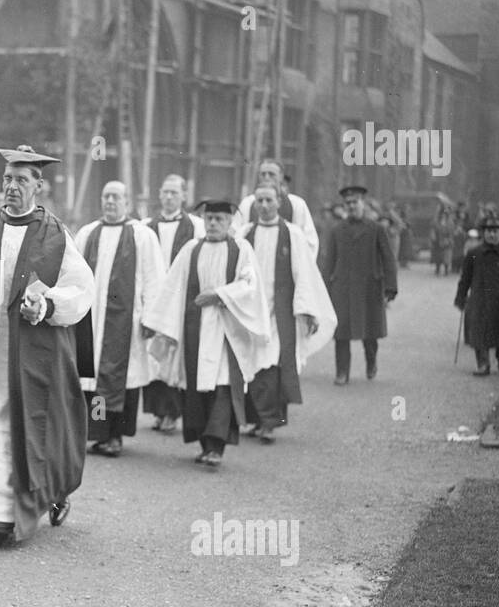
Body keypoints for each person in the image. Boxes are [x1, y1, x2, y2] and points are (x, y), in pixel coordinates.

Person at [0, 145, 95, 551]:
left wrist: (45, 305)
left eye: (21, 180)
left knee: (44, 428)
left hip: (36, 350)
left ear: (38, 186)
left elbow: (81, 287)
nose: (11, 187)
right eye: (7, 179)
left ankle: (51, 491)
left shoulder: (53, 233)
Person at [142, 200, 268, 469]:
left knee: (222, 386)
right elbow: (171, 286)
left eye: (219, 219)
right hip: (194, 329)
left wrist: (220, 295)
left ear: (230, 221)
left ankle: (216, 447)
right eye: (209, 218)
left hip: (226, 330)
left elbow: (250, 285)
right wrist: (157, 322)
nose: (213, 223)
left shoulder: (240, 249)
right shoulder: (192, 249)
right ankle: (204, 444)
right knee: (196, 387)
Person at [73, 181, 165, 456]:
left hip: (127, 321)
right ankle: (98, 434)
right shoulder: (88, 233)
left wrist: (151, 318)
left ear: (127, 201)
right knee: (93, 379)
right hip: (92, 321)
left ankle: (115, 436)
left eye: (116, 197)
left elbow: (154, 279)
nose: (110, 201)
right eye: (105, 196)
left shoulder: (142, 235)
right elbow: (74, 273)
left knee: (120, 379)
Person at [239, 185, 336, 442]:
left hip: (280, 311)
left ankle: (269, 421)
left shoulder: (292, 234)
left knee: (272, 363)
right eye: (259, 200)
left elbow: (303, 274)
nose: (264, 205)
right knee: (252, 364)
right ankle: (255, 419)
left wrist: (306, 310)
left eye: (269, 200)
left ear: (279, 202)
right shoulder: (245, 233)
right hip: (252, 310)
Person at [319, 185, 398, 385]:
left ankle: (371, 362)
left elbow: (388, 259)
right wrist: (323, 291)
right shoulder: (337, 230)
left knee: (370, 333)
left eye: (355, 202)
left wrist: (390, 286)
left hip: (369, 288)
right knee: (341, 333)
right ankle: (342, 372)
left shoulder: (376, 229)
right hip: (342, 289)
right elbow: (329, 262)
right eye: (348, 203)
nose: (352, 206)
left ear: (363, 203)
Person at [142, 174, 203, 432]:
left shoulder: (196, 226)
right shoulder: (145, 226)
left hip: (179, 299)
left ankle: (173, 412)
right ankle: (157, 410)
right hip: (155, 298)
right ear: (159, 194)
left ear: (184, 196)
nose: (168, 197)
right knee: (153, 355)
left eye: (174, 193)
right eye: (165, 192)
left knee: (173, 355)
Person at [455, 213, 499, 375]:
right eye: (488, 231)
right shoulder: (474, 253)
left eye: (496, 231)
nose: (492, 234)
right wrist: (461, 298)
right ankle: (483, 364)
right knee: (478, 333)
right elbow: (465, 278)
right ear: (483, 232)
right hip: (479, 301)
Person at [230, 158, 319, 254]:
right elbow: (235, 235)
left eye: (271, 174)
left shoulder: (296, 204)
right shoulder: (248, 203)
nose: (266, 177)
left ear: (281, 176)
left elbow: (309, 242)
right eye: (263, 174)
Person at [430, 207, 456, 276]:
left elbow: (451, 232)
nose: (443, 215)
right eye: (442, 214)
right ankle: (437, 268)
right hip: (438, 240)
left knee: (446, 256)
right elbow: (433, 229)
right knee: (438, 255)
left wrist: (449, 239)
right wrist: (433, 237)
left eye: (445, 214)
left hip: (447, 240)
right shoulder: (436, 221)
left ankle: (446, 270)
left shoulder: (450, 222)